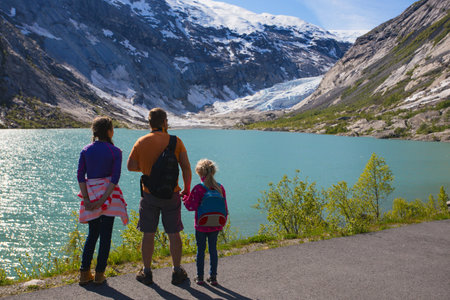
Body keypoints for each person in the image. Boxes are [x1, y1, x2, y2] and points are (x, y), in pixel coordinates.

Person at [127, 107, 192, 285]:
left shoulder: (141, 141)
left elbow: (130, 166)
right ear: (165, 122)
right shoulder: (176, 141)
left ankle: (147, 272)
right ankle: (176, 271)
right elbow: (186, 167)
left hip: (149, 195)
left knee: (148, 233)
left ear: (149, 123)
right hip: (172, 194)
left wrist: (149, 168)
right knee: (174, 233)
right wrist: (187, 188)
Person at [77, 116, 128, 286]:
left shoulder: (86, 150)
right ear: (109, 131)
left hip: (90, 195)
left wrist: (87, 199)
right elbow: (115, 178)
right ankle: (99, 275)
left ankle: (84, 274)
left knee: (92, 235)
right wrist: (103, 200)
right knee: (106, 236)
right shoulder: (116, 152)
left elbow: (80, 176)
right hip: (109, 197)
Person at [183, 159, 228, 286]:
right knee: (213, 250)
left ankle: (200, 277)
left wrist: (185, 198)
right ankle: (213, 277)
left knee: (200, 250)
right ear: (213, 171)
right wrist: (222, 224)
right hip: (216, 225)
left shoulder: (198, 188)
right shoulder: (220, 187)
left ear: (199, 173)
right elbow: (225, 208)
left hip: (201, 225)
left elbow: (191, 207)